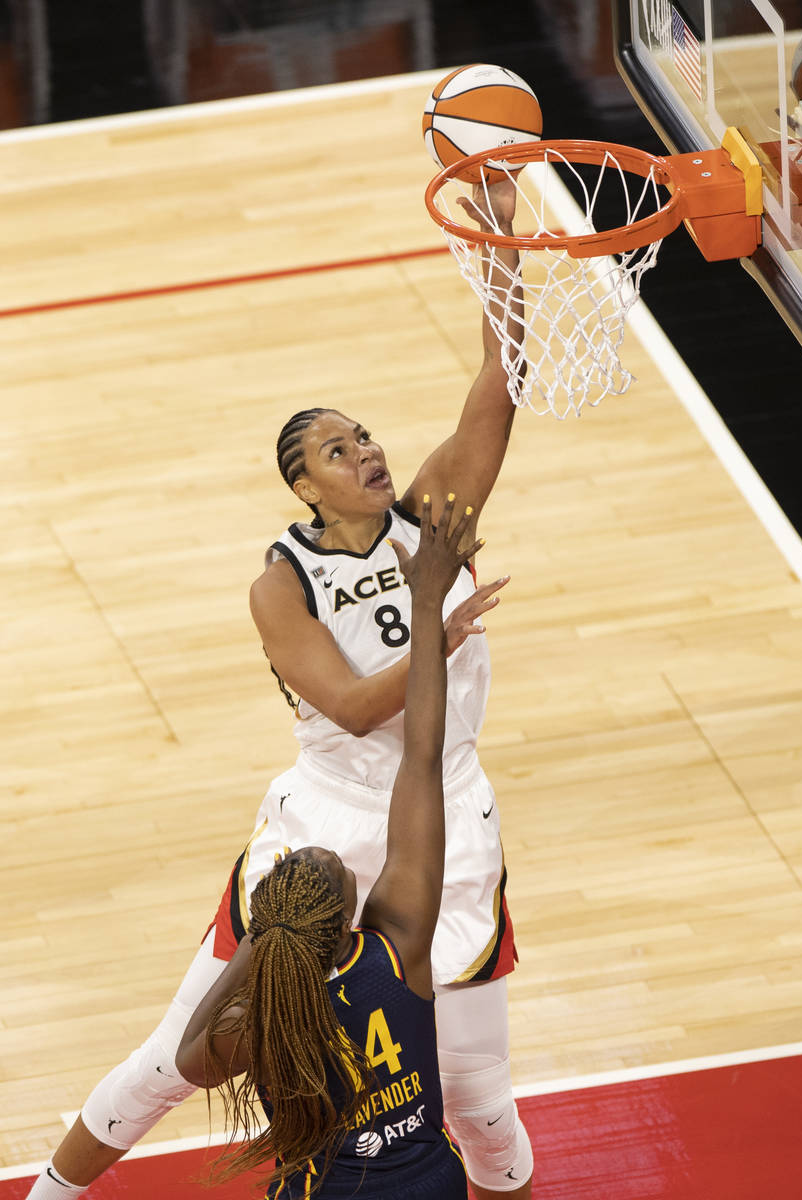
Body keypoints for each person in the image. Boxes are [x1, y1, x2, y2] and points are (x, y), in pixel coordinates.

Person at [27, 177, 532, 1200]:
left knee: (476, 1097)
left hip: (448, 812)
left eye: (365, 435)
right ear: (304, 486)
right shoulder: (280, 584)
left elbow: (500, 374)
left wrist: (499, 244)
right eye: (337, 450)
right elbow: (350, 707)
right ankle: (51, 1191)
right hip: (327, 831)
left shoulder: (427, 514)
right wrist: (433, 624)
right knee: (173, 1064)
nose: (367, 451)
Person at [175, 495, 477, 1199]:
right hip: (433, 1185)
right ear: (349, 916)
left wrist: (258, 939)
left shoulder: (264, 1020)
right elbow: (422, 757)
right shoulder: (396, 946)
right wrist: (425, 608)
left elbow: (191, 1062)